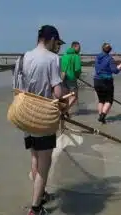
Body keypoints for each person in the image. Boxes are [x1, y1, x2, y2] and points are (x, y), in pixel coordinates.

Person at [12, 25, 65, 215]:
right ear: (51, 40)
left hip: (25, 115)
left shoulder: (23, 57)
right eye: (56, 42)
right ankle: (35, 208)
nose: (57, 46)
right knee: (45, 163)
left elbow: (18, 87)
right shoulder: (52, 59)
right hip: (42, 117)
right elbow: (57, 92)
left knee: (34, 157)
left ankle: (41, 195)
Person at [93, 43, 121, 124]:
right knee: (109, 100)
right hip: (107, 82)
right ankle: (102, 116)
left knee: (101, 100)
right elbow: (115, 71)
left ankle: (101, 117)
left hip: (96, 81)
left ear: (102, 49)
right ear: (110, 50)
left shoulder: (97, 57)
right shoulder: (109, 58)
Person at [60, 41, 82, 116]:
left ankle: (65, 110)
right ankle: (64, 111)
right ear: (74, 47)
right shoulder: (76, 56)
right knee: (74, 96)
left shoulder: (64, 55)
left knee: (66, 95)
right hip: (71, 78)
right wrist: (78, 75)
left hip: (62, 78)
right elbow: (77, 69)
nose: (80, 49)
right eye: (79, 47)